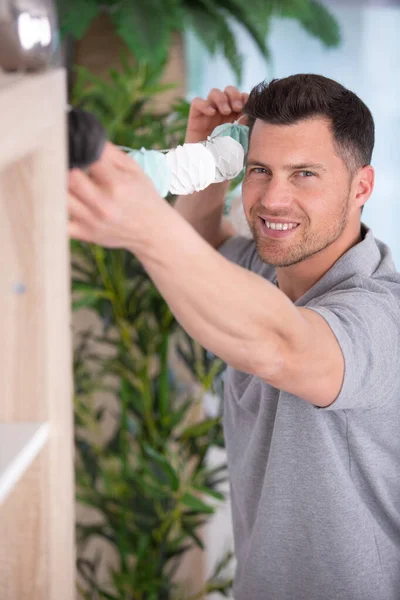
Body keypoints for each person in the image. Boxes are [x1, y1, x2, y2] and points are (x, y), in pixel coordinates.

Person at [68, 74, 400, 600]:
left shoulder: (385, 318)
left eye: (305, 174)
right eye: (259, 170)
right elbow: (204, 257)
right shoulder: (267, 267)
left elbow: (282, 346)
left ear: (362, 186)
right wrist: (207, 158)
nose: (273, 199)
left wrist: (144, 219)